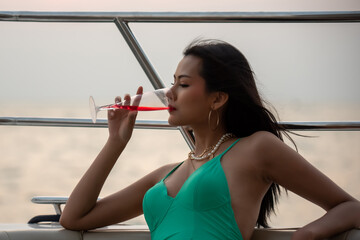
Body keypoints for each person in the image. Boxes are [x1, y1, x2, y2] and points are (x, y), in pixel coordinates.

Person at [60, 39, 360, 240]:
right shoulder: (164, 175)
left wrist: (303, 236)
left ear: (217, 99)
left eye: (183, 84)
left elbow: (350, 207)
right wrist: (115, 143)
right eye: (172, 83)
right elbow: (74, 218)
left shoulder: (257, 148)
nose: (169, 94)